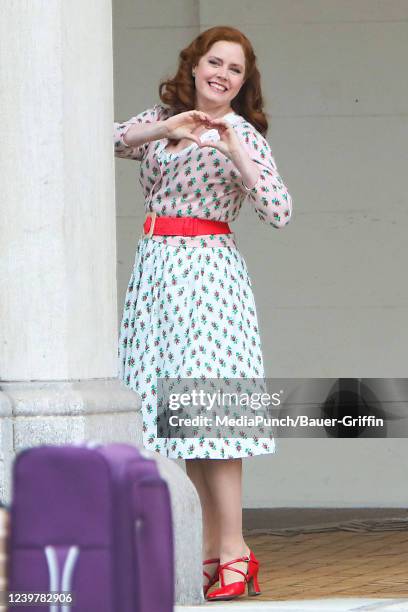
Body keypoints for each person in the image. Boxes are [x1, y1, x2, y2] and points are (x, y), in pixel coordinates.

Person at [114, 26, 293, 601]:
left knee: (213, 410)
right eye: (214, 62)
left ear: (243, 83)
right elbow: (102, 140)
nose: (222, 74)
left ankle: (236, 551)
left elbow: (279, 210)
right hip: (155, 275)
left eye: (234, 69)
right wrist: (167, 127)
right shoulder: (162, 122)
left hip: (210, 275)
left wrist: (232, 146)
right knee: (177, 419)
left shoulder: (242, 132)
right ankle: (204, 551)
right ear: (193, 67)